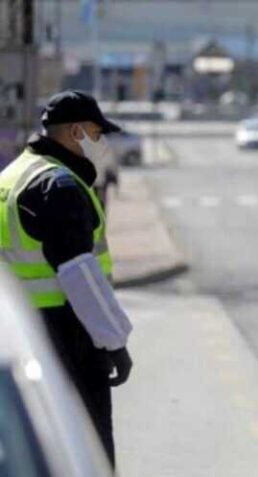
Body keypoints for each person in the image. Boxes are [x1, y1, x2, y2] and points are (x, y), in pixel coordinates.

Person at [0, 90, 134, 466]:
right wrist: (113, 342)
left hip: (19, 326)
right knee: (86, 448)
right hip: (66, 331)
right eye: (97, 132)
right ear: (76, 133)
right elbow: (78, 273)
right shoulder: (57, 186)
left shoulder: (11, 175)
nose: (102, 141)